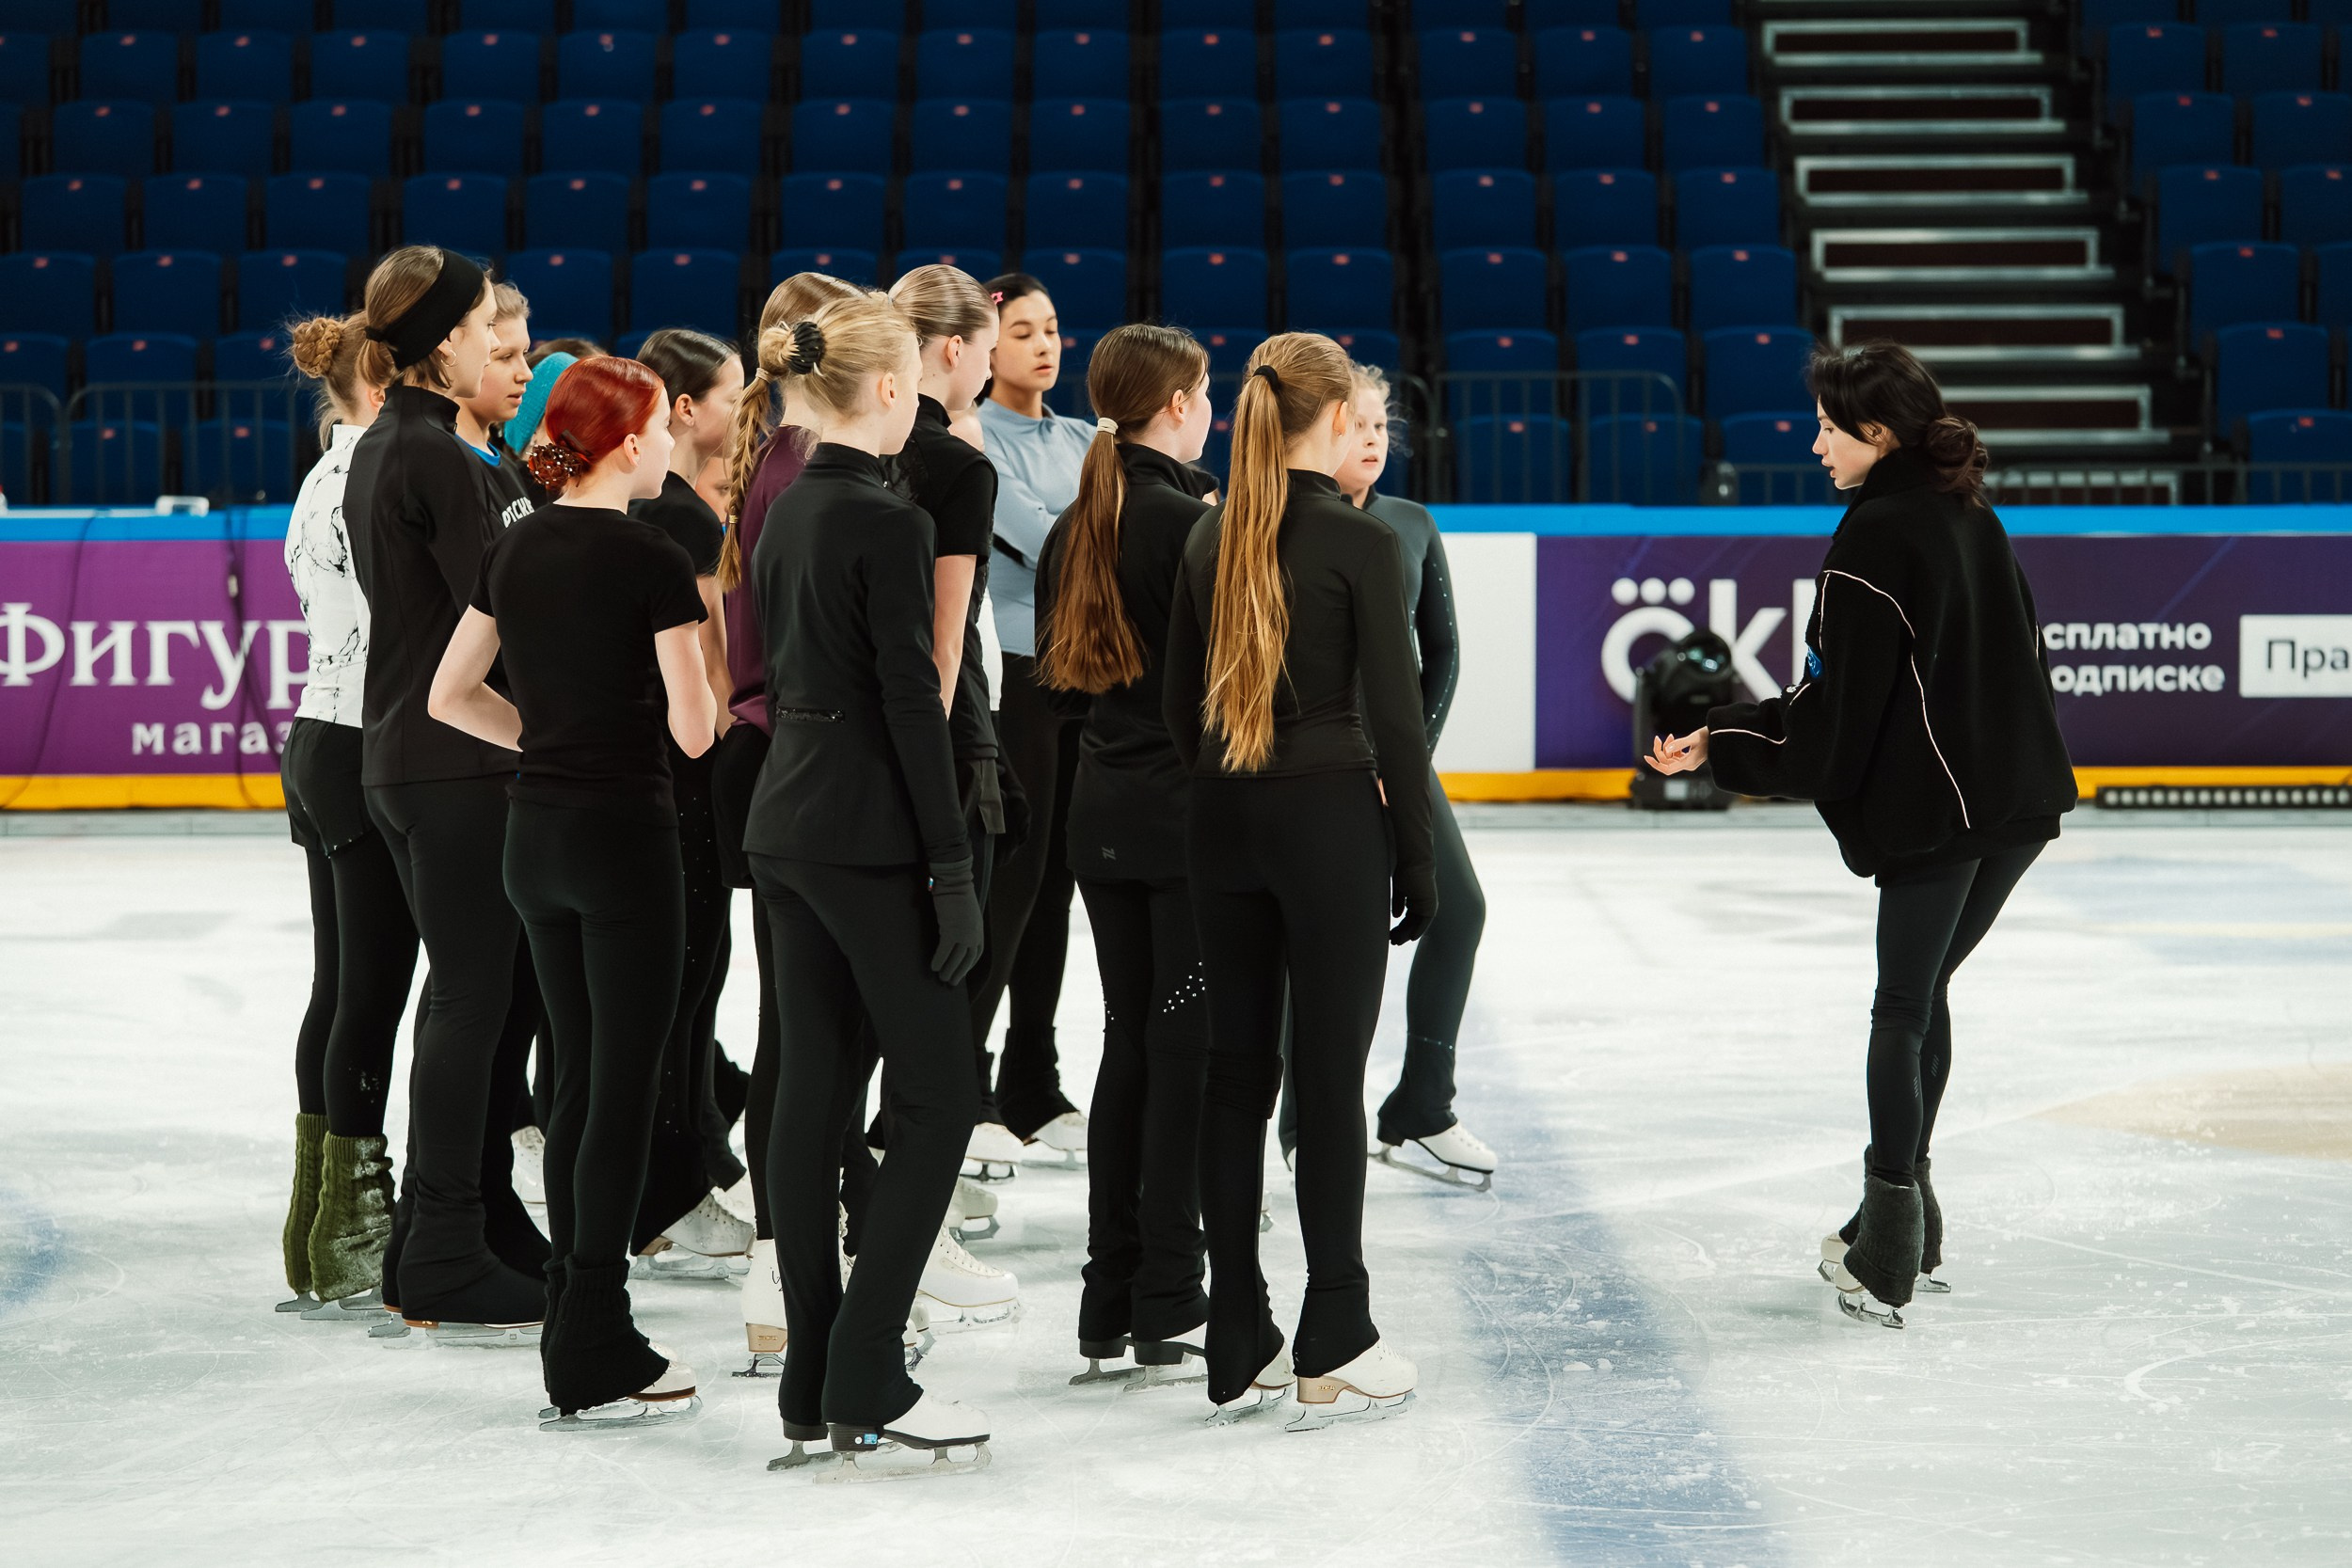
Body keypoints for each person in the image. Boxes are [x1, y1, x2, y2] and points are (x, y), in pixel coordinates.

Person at [1646, 341, 2076, 1330]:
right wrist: (1733, 734)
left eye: (1829, 429)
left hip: (1943, 813)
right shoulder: (1969, 511)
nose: (1816, 446)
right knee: (1926, 993)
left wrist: (1722, 741)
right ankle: (1910, 1220)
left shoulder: (1874, 538)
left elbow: (1837, 718)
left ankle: (1887, 1243)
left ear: (1877, 434)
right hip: (2014, 803)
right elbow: (2015, 658)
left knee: (1901, 1008)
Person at [427, 354, 717, 1429]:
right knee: (619, 1089)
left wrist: (544, 739)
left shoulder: (515, 541)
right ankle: (593, 1332)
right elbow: (696, 729)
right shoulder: (653, 553)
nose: (671, 444)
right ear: (633, 442)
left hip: (535, 839)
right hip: (620, 842)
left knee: (578, 1083)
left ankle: (577, 1320)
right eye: (662, 429)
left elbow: (449, 692)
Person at [1164, 331, 1436, 1428]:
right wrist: (1417, 852)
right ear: (1330, 420)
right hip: (1327, 823)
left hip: (1220, 817)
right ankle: (1336, 1326)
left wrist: (1229, 794)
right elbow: (1398, 723)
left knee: (1234, 1073)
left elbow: (1179, 707)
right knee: (1327, 1080)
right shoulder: (1361, 539)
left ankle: (1237, 1325)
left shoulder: (1210, 531)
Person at [742, 293, 991, 1473]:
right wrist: (953, 863)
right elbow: (910, 700)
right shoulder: (888, 519)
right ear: (891, 387)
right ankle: (865, 1364)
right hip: (863, 836)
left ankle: (813, 1376)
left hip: (786, 825)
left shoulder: (786, 503)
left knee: (813, 1090)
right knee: (940, 1094)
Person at [341, 245, 546, 1342]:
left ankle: (470, 1219)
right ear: (447, 339)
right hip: (455, 760)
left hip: (428, 756)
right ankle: (444, 1250)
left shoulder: (419, 443)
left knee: (492, 998)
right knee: (474, 997)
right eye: (489, 330)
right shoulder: (430, 455)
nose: (504, 347)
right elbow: (509, 606)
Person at [1033, 324, 1219, 1385]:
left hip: (1101, 813)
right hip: (1180, 821)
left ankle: (1111, 1292)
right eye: (1204, 392)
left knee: (1129, 1045)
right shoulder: (1189, 523)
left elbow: (1058, 689)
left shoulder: (1078, 521)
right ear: (1177, 404)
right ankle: (1168, 1290)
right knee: (1181, 1051)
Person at [710, 268, 866, 1373]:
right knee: (806, 1033)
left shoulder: (770, 454)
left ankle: (796, 1251)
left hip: (777, 750)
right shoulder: (804, 465)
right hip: (800, 754)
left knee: (803, 1028)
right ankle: (785, 1259)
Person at [880, 263, 1024, 1328]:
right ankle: (910, 1232)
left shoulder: (814, 447)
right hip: (932, 748)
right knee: (937, 1009)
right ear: (952, 349)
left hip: (819, 757)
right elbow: (941, 649)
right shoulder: (949, 462)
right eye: (988, 346)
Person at [1328, 365, 1496, 1190]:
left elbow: (1446, 652)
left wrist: (1410, 760)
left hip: (1399, 756)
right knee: (1324, 935)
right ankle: (1305, 1120)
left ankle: (1424, 1103)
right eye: (1355, 425)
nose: (1372, 439)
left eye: (1379, 426)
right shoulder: (1283, 519)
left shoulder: (1413, 522)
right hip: (1317, 759)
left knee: (1460, 908)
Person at [277, 311, 410, 1323]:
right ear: (387, 384)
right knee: (369, 986)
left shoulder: (325, 469)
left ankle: (317, 1224)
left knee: (340, 983)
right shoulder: (372, 472)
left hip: (322, 735)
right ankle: (351, 1228)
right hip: (361, 739)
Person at [624, 327, 757, 1274]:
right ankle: (669, 1190)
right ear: (681, 408)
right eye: (732, 397)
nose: (743, 415)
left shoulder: (598, 501)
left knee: (658, 992)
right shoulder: (685, 520)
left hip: (617, 773)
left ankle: (687, 1158)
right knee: (686, 986)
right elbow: (716, 669)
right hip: (685, 775)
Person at [974, 273, 1096, 1161]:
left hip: (1086, 669)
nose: (1045, 345)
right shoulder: (974, 436)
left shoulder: (1086, 437)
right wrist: (1094, 525)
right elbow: (1053, 541)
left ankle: (1032, 1079)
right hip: (1016, 672)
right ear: (986, 345)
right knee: (1011, 880)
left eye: (1051, 328)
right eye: (1023, 332)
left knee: (1059, 881)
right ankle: (965, 1080)